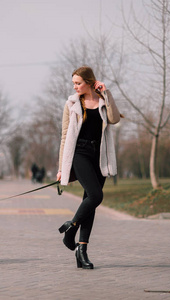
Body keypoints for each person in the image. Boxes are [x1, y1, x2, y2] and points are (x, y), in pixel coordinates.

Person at [57, 65, 121, 269]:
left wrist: (106, 92)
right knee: (96, 196)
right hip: (80, 154)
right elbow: (65, 136)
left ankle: (81, 250)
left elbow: (114, 119)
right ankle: (71, 227)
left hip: (98, 155)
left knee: (89, 201)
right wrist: (61, 167)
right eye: (73, 83)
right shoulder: (72, 105)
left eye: (78, 83)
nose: (75, 86)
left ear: (89, 82)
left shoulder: (103, 101)